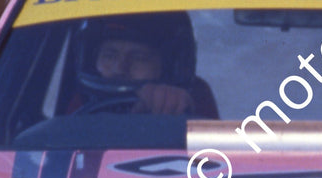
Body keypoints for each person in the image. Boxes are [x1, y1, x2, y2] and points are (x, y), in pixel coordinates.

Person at [67, 13, 218, 115]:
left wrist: (180, 115)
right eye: (110, 56)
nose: (120, 68)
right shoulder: (83, 99)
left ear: (169, 66)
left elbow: (218, 156)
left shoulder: (194, 96)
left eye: (139, 58)